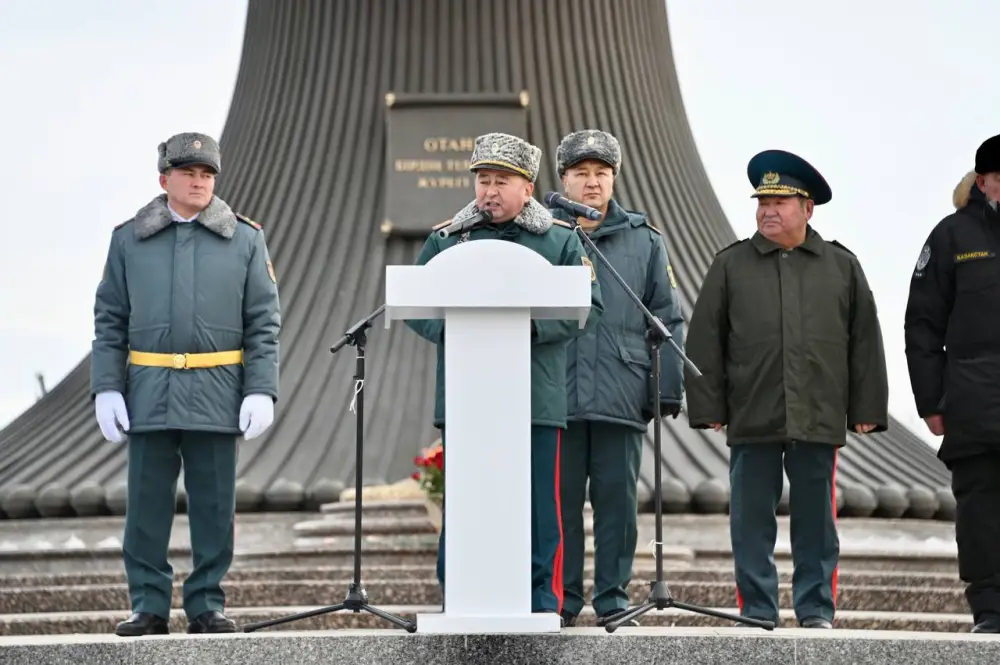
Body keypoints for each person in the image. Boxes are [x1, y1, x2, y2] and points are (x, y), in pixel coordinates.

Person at [684, 149, 889, 629]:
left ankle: (816, 609)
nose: (767, 211)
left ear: (808, 208)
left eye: (780, 201)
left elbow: (865, 342)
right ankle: (757, 609)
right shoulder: (730, 265)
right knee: (751, 522)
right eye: (762, 202)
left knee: (816, 523)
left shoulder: (842, 266)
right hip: (753, 414)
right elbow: (705, 340)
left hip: (818, 414)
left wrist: (866, 408)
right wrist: (709, 406)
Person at [405, 132, 604, 623]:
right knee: (466, 505)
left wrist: (521, 331)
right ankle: (460, 598)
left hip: (535, 398)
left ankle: (544, 602)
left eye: (501, 181)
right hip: (469, 400)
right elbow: (413, 302)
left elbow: (589, 309)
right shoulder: (447, 239)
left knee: (541, 509)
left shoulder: (560, 239)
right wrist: (461, 332)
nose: (489, 191)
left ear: (528, 188)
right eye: (482, 180)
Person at [90, 132, 281, 636]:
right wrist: (106, 387)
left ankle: (206, 605)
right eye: (189, 173)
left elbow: (263, 321)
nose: (199, 182)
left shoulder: (244, 239)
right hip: (148, 390)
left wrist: (261, 388)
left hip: (218, 389)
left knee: (215, 506)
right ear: (164, 179)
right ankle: (148, 606)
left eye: (207, 174)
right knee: (146, 507)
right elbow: (110, 319)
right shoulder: (129, 239)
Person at [548, 129, 685, 628]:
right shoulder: (546, 235)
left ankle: (611, 596)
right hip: (556, 393)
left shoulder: (645, 242)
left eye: (600, 174)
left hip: (621, 391)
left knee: (617, 507)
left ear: (614, 180)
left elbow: (667, 316)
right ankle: (560, 599)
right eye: (580, 174)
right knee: (557, 505)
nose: (591, 184)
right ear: (562, 179)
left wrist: (665, 387)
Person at [903, 134, 1000, 633]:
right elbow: (922, 324)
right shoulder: (951, 237)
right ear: (983, 181)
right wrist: (930, 400)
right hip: (972, 401)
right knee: (981, 511)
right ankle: (989, 609)